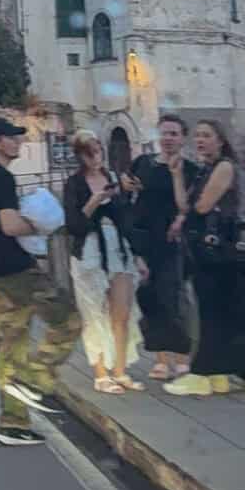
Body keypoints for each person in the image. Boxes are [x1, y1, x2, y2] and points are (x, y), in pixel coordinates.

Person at [0, 117, 82, 447]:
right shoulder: (3, 177)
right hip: (18, 270)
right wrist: (40, 226)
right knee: (69, 321)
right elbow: (8, 225)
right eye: (12, 138)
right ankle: (34, 380)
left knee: (13, 345)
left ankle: (13, 423)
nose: (18, 142)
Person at [164, 119, 245, 396]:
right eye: (197, 136)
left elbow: (203, 206)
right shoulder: (205, 170)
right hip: (206, 253)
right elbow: (184, 206)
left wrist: (187, 213)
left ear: (221, 141)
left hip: (220, 252)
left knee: (217, 312)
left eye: (206, 136)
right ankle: (218, 374)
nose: (200, 140)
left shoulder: (224, 167)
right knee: (213, 311)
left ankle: (205, 372)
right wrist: (175, 175)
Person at [62, 132, 147, 395]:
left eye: (98, 150)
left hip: (118, 249)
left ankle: (120, 371)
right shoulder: (74, 184)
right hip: (89, 251)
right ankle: (101, 374)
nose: (96, 156)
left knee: (121, 313)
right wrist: (93, 201)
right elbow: (74, 225)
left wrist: (137, 254)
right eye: (89, 152)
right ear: (80, 155)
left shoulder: (112, 177)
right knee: (94, 313)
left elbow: (125, 218)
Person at [124, 115, 197, 380]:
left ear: (182, 138)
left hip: (171, 242)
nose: (168, 138)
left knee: (174, 298)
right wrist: (126, 184)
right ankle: (160, 358)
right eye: (165, 133)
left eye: (174, 134)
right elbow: (127, 188)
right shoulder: (143, 163)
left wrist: (180, 219)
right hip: (144, 241)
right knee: (150, 300)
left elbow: (189, 207)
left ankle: (182, 356)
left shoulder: (188, 169)